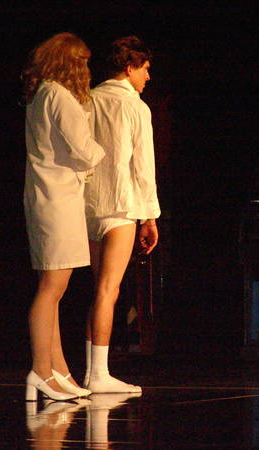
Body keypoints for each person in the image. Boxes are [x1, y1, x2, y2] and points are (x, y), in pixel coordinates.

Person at [23, 32, 105, 401]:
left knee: (53, 289)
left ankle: (58, 370)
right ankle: (41, 370)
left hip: (49, 197)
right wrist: (103, 151)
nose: (86, 69)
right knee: (51, 289)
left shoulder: (42, 93)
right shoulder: (58, 95)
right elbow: (84, 150)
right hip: (57, 200)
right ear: (71, 62)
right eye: (83, 62)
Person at [83, 36, 161, 393]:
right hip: (120, 204)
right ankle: (97, 374)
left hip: (87, 205)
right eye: (145, 69)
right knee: (108, 289)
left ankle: (93, 370)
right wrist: (149, 218)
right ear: (130, 68)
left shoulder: (88, 99)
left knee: (99, 289)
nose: (148, 77)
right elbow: (143, 166)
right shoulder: (134, 106)